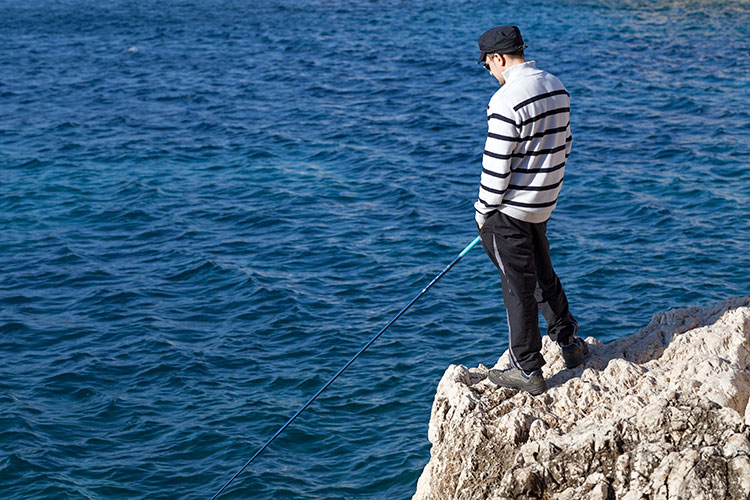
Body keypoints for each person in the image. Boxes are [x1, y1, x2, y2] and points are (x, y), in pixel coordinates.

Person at [474, 25, 587, 395]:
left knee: (517, 287)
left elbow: (496, 167)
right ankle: (569, 344)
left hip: (507, 213)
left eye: (487, 64)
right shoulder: (556, 85)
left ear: (498, 58)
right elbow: (565, 144)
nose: (489, 72)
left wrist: (483, 212)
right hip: (542, 205)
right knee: (542, 274)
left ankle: (527, 368)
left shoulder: (505, 100)